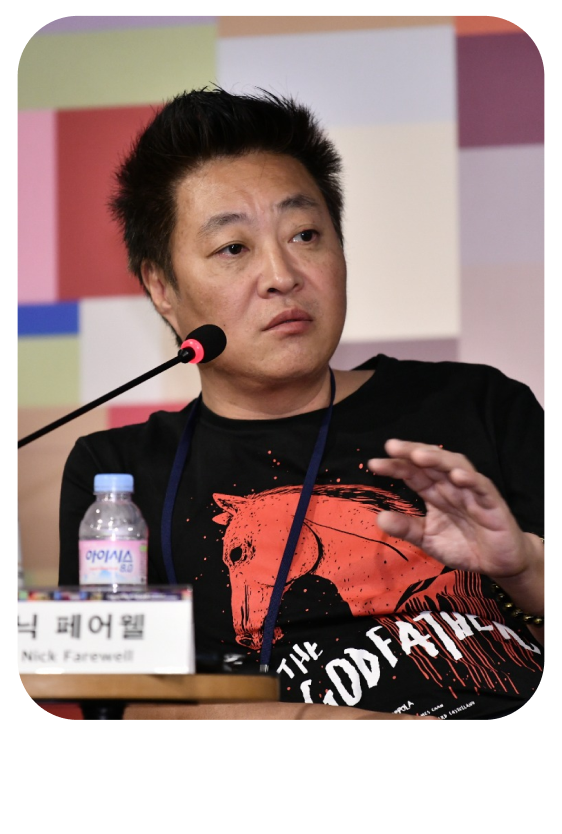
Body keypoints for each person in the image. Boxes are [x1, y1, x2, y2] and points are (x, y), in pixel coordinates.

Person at [58, 87, 544, 720]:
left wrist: (527, 571)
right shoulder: (119, 479)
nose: (282, 275)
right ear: (162, 287)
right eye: (234, 248)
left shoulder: (479, 405)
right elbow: (116, 709)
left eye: (305, 234)